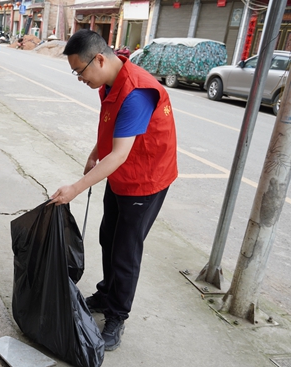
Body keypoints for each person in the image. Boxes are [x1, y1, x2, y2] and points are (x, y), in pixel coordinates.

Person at [49, 30, 178, 351]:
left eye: (80, 71)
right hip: (121, 174)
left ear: (100, 59)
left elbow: (120, 154)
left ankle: (117, 314)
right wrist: (95, 150)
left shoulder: (136, 93)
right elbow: (113, 128)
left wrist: (76, 188)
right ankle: (107, 292)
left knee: (125, 250)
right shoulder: (108, 81)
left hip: (145, 180)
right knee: (108, 235)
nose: (79, 78)